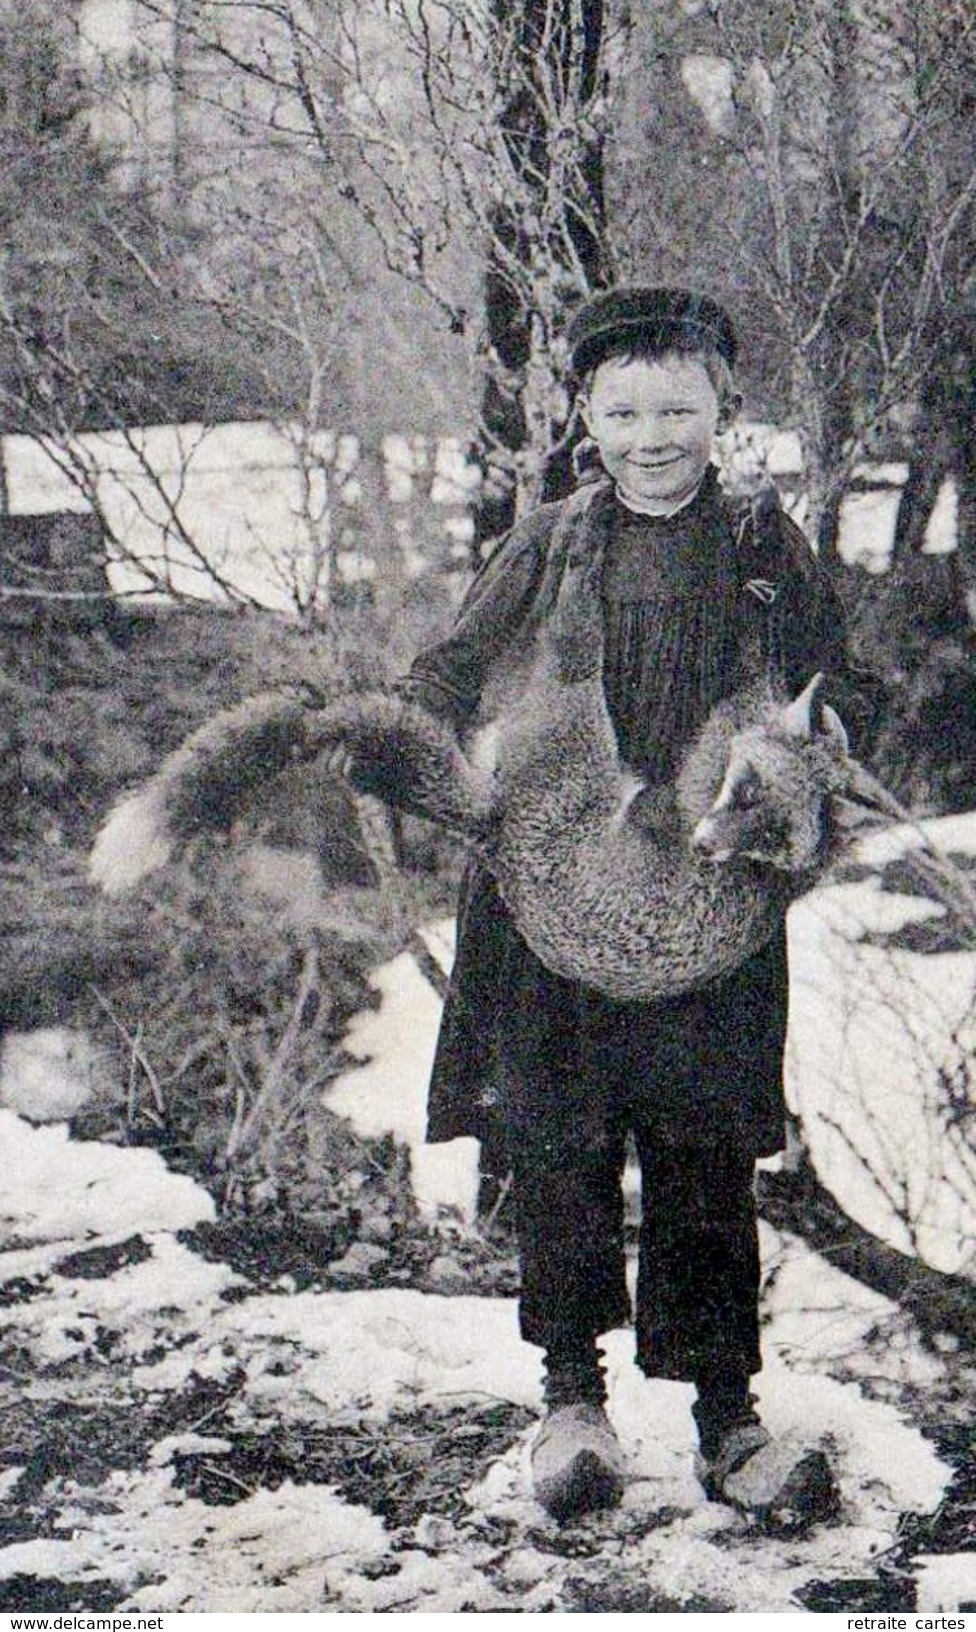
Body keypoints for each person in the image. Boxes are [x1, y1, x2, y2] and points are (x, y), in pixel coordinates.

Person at [386, 287, 855, 1527]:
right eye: (625, 409)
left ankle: (726, 1419)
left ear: (721, 410)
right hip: (550, 902)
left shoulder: (763, 544)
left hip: (707, 904)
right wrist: (408, 738)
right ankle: (569, 1403)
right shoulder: (548, 539)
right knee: (559, 1147)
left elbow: (836, 679)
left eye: (679, 409)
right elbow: (450, 664)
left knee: (703, 1157)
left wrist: (799, 758)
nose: (653, 435)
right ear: (583, 412)